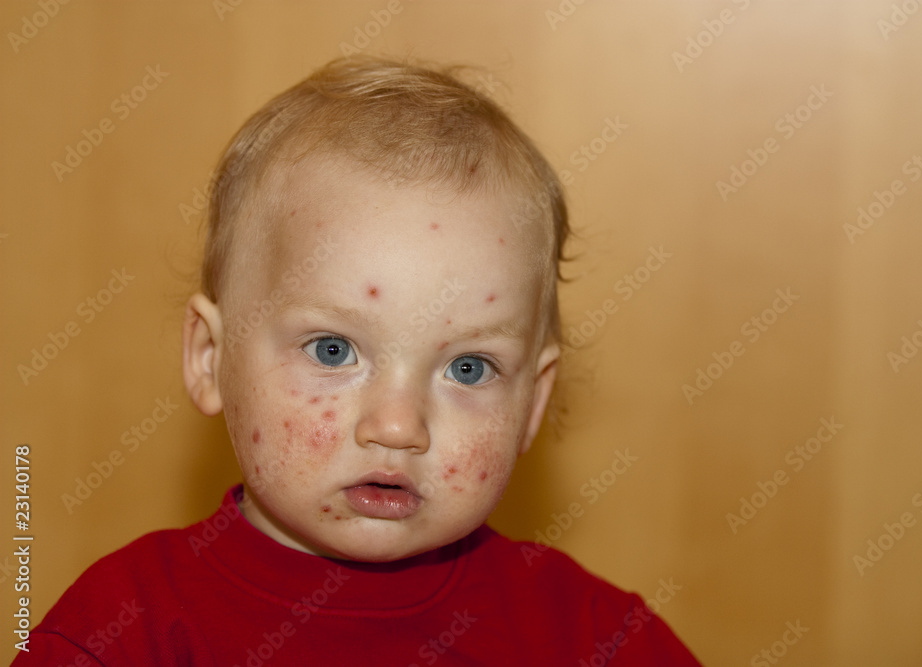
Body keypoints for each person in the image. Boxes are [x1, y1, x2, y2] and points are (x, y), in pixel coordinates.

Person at [16, 57, 701, 665]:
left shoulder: (593, 636)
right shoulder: (123, 628)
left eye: (468, 367)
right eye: (334, 349)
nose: (399, 426)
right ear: (209, 356)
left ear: (533, 398)